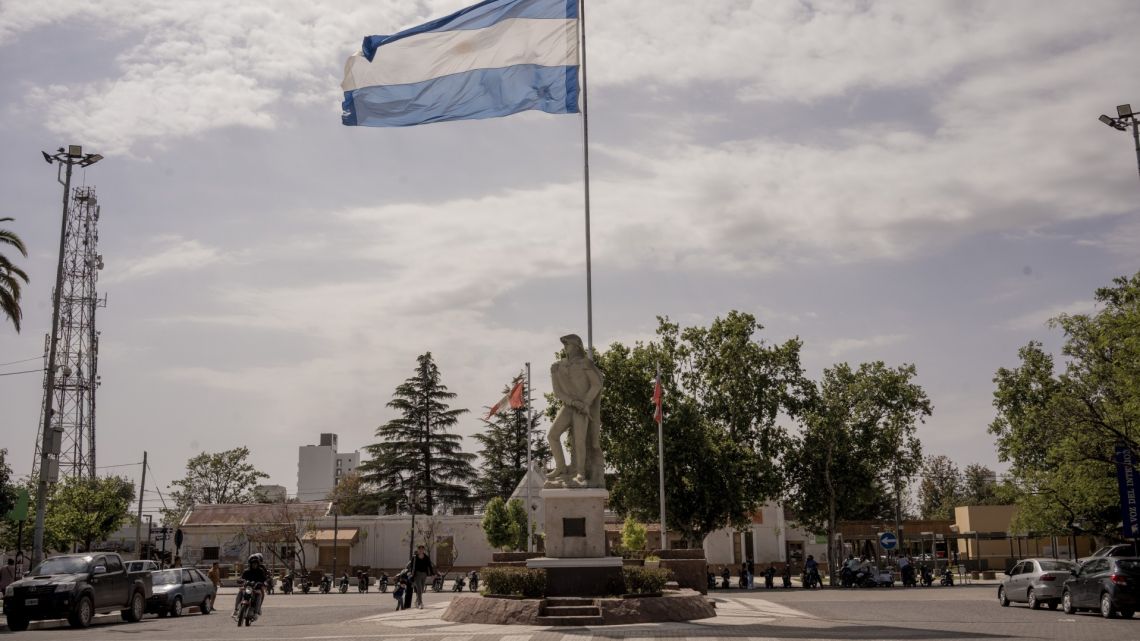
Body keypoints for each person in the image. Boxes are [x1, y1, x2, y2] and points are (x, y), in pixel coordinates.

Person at [233, 553, 269, 620]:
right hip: (247, 587)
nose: (254, 565)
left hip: (256, 588)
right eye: (253, 563)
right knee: (240, 592)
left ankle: (256, 612)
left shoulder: (260, 571)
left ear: (258, 563)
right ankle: (235, 609)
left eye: (255, 563)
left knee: (259, 594)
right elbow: (242, 578)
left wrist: (264, 583)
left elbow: (264, 579)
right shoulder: (246, 571)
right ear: (250, 564)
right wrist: (240, 580)